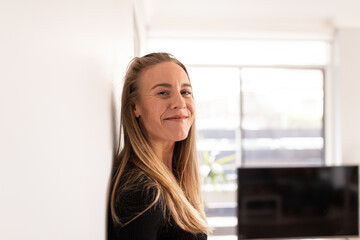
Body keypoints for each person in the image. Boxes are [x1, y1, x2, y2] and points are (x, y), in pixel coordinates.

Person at [107, 52, 211, 240]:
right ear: (135, 108)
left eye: (185, 92)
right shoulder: (142, 193)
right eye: (163, 93)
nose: (180, 103)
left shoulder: (173, 177)